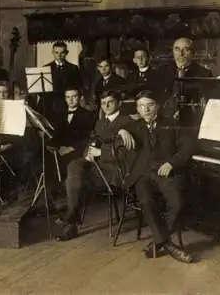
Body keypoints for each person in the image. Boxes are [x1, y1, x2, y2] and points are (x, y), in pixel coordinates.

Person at [121, 90, 195, 263]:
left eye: (150, 105)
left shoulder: (172, 124)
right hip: (143, 175)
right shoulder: (133, 126)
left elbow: (188, 147)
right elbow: (108, 130)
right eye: (141, 106)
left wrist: (171, 163)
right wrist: (121, 132)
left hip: (165, 173)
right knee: (147, 202)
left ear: (158, 106)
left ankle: (157, 242)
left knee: (177, 202)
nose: (145, 110)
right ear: (137, 109)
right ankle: (168, 244)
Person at [56, 90, 133, 241]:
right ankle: (72, 220)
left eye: (110, 102)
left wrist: (100, 152)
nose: (106, 106)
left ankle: (71, 222)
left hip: (116, 170)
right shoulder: (101, 122)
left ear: (119, 103)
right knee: (74, 166)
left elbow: (125, 152)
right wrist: (88, 153)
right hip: (98, 167)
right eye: (103, 103)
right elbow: (92, 139)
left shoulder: (127, 122)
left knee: (75, 177)